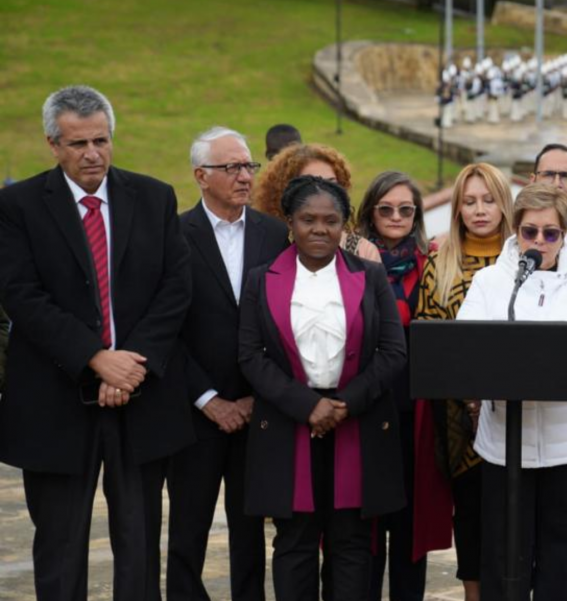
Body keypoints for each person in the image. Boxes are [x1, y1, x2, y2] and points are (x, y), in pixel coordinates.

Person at [0, 85, 193, 601]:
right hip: (55, 402)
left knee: (139, 543)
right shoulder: (17, 205)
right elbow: (20, 295)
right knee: (60, 547)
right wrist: (95, 359)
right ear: (53, 144)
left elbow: (176, 288)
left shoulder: (154, 197)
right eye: (78, 143)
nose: (92, 154)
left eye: (101, 141)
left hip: (140, 397)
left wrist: (129, 367)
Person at [238, 175, 406, 601]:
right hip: (288, 423)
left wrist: (342, 405)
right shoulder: (261, 279)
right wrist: (307, 406)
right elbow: (250, 356)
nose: (319, 229)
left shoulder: (369, 276)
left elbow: (392, 352)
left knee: (351, 542)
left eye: (330, 220)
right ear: (289, 222)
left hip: (356, 420)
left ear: (344, 225)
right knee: (293, 542)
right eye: (307, 219)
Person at [457, 183, 567, 601]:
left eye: (551, 233)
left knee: (561, 553)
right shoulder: (491, 281)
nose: (540, 242)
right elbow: (465, 343)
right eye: (530, 232)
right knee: (503, 553)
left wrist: (547, 354)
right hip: (503, 443)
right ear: (516, 232)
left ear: (565, 234)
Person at [167, 127, 289, 601]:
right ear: (201, 176)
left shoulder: (275, 234)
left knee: (250, 533)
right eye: (231, 167)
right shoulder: (173, 236)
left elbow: (285, 323)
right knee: (187, 531)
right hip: (194, 413)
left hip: (260, 411)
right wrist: (209, 399)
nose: (244, 176)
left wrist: (258, 395)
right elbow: (165, 331)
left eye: (248, 166)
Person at [415, 162, 514, 601]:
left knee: (514, 511)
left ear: (504, 204)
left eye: (488, 200)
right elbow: (427, 335)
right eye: (469, 201)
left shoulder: (524, 257)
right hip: (457, 412)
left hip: (519, 406)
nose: (479, 210)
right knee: (470, 508)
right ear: (456, 209)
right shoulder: (440, 260)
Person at [352, 171, 451, 601]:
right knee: (364, 526)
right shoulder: (349, 262)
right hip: (363, 409)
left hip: (418, 411)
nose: (396, 217)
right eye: (386, 209)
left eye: (406, 209)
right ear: (370, 212)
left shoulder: (432, 263)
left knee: (410, 526)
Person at [255, 142, 379, 262]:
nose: (323, 191)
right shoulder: (267, 246)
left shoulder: (362, 251)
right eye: (310, 184)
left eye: (331, 183)